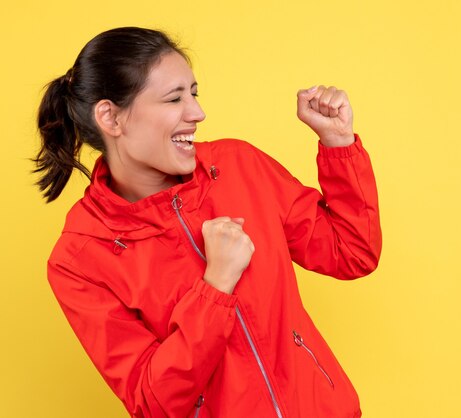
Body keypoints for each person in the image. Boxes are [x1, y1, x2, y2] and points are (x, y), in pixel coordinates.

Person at [35, 26, 381, 418]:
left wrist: (339, 144)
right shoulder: (80, 258)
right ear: (111, 118)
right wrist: (216, 286)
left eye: (194, 93)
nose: (197, 113)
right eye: (174, 98)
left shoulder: (239, 166)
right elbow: (154, 402)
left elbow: (352, 253)